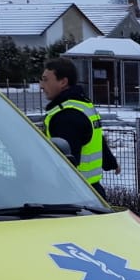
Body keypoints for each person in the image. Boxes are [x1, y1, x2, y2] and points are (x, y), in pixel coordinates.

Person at [39, 58, 115, 198]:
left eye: (45, 80)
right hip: (92, 191)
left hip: (74, 195)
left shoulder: (66, 115)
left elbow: (67, 163)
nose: (41, 86)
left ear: (63, 82)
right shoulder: (83, 105)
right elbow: (95, 138)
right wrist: (110, 162)